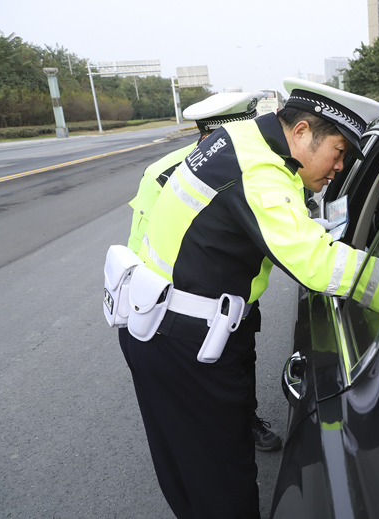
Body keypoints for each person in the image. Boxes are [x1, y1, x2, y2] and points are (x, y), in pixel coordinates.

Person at [115, 78, 379, 518]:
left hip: (159, 326)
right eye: (339, 153)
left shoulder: (237, 138)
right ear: (300, 132)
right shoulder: (260, 169)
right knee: (223, 481)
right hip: (187, 342)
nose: (339, 168)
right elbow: (316, 263)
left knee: (187, 466)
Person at [125, 91, 283, 451]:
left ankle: (247, 420)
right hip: (182, 310)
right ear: (211, 136)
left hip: (242, 301)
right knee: (198, 390)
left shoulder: (262, 167)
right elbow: (140, 244)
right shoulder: (163, 174)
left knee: (242, 360)